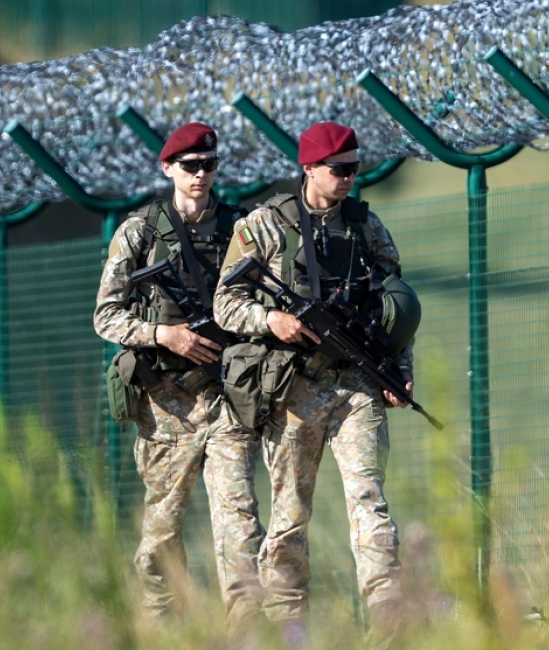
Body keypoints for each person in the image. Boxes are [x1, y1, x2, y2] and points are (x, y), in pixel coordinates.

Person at [214, 121, 414, 640]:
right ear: (308, 168)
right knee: (289, 515)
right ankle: (288, 626)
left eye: (354, 169)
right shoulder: (263, 226)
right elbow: (225, 302)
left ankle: (389, 620)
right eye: (338, 170)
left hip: (356, 387)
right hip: (294, 389)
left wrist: (398, 372)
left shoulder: (367, 228)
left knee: (369, 500)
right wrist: (271, 321)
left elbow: (394, 308)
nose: (349, 179)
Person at [93, 122, 264, 627]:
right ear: (168, 168)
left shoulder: (240, 228)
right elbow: (106, 316)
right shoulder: (139, 232)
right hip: (167, 406)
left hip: (227, 398)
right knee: (162, 536)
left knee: (240, 524)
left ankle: (247, 632)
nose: (201, 175)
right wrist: (164, 335)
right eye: (190, 166)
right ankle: (161, 629)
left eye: (209, 165)